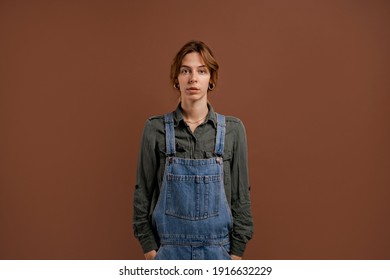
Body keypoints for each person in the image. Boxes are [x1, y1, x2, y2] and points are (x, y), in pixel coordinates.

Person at [133, 40, 253, 260]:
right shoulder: (155, 128)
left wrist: (236, 254)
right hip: (168, 252)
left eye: (202, 71)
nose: (193, 78)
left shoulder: (233, 131)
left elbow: (241, 198)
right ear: (176, 79)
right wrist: (150, 250)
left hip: (219, 252)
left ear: (211, 79)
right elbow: (142, 194)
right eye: (185, 70)